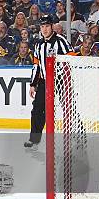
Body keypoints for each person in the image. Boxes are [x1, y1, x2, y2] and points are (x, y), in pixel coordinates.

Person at [25, 14, 72, 148]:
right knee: (37, 110)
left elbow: (72, 58)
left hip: (62, 81)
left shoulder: (61, 41)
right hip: (45, 82)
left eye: (47, 26)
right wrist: (33, 84)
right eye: (42, 26)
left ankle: (77, 136)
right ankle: (34, 140)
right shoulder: (39, 45)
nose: (44, 29)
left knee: (69, 108)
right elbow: (37, 65)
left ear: (52, 27)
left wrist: (67, 79)